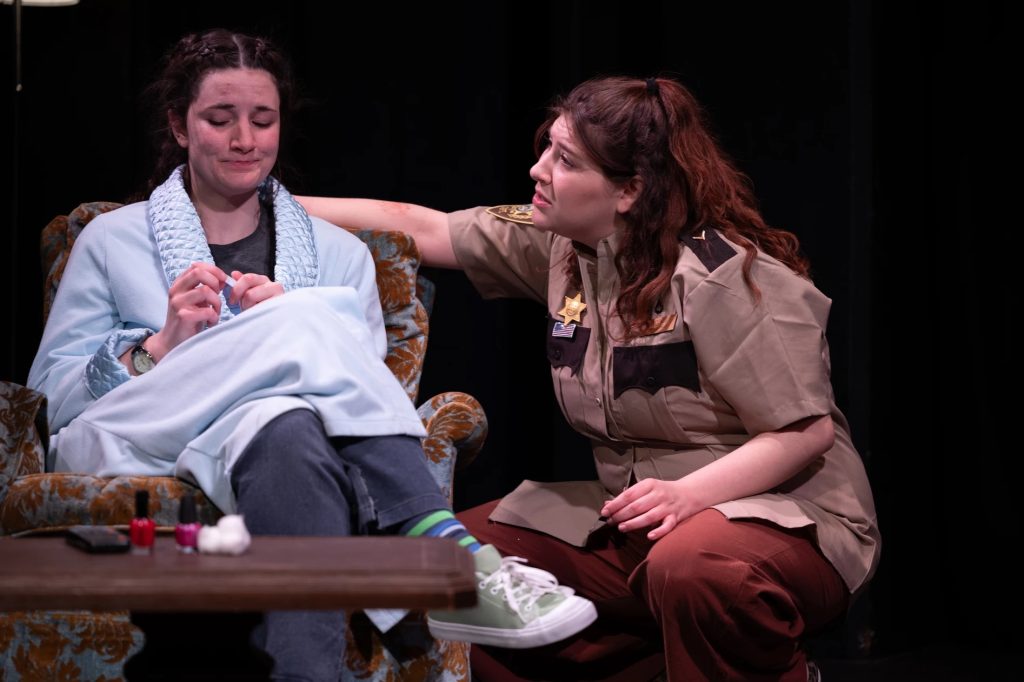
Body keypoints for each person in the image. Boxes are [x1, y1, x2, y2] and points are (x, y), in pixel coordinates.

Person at [26, 29, 596, 681]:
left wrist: (278, 328)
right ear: (179, 127)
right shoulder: (107, 239)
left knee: (288, 426)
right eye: (220, 119)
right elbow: (54, 401)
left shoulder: (341, 254)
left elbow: (354, 406)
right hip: (138, 431)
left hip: (275, 443)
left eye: (262, 120)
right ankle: (448, 551)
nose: (244, 139)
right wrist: (155, 349)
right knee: (306, 322)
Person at [297, 75, 881, 681]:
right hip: (638, 520)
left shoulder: (724, 277)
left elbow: (805, 433)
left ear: (629, 190)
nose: (538, 170)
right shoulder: (562, 247)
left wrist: (690, 496)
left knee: (691, 567)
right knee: (455, 569)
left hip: (785, 520)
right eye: (546, 147)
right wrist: (256, 199)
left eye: (564, 159)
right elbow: (421, 227)